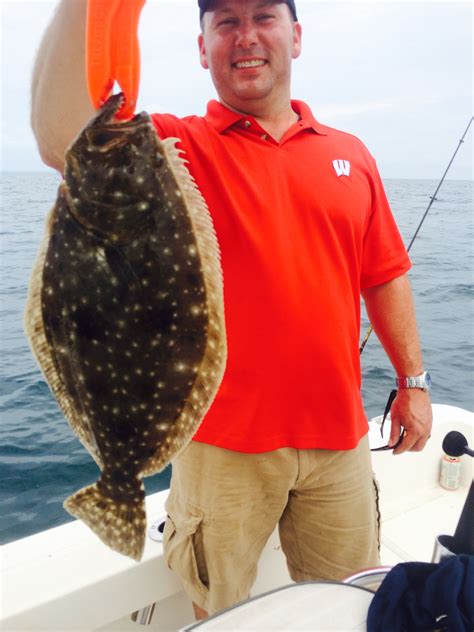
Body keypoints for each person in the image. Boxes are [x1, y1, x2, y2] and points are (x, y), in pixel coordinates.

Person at [31, 0, 433, 620]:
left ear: (295, 37)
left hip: (341, 442)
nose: (246, 36)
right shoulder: (171, 145)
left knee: (354, 607)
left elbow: (383, 275)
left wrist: (413, 382)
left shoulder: (350, 153)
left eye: (263, 17)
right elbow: (63, 136)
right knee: (217, 613)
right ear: (202, 48)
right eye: (224, 22)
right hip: (221, 450)